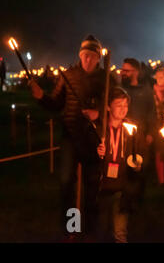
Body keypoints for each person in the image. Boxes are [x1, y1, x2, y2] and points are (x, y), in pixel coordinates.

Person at [29, 35, 112, 240]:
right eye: (85, 55)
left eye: (92, 56)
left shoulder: (106, 78)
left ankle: (91, 227)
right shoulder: (67, 75)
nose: (88, 60)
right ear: (80, 55)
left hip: (93, 138)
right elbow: (56, 104)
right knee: (67, 182)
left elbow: (113, 103)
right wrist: (42, 97)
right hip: (70, 136)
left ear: (98, 58)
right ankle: (71, 226)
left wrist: (98, 113)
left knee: (92, 185)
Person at [96, 87, 146, 243]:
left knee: (120, 231)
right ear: (108, 106)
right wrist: (96, 152)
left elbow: (141, 152)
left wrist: (138, 163)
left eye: (126, 105)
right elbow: (86, 154)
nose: (123, 109)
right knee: (101, 229)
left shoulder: (132, 128)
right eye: (118, 104)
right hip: (102, 187)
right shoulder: (99, 129)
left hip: (123, 187)